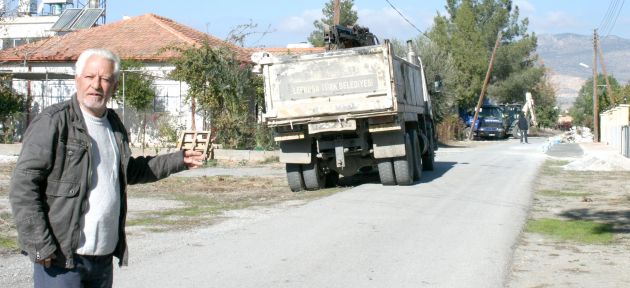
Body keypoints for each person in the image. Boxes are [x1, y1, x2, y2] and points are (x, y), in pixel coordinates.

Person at [9, 48, 205, 288]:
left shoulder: (113, 124)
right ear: (77, 79)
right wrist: (39, 244)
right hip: (61, 259)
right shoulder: (54, 122)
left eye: (105, 79)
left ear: (114, 85)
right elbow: (23, 186)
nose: (96, 85)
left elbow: (127, 171)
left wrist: (179, 160)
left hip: (102, 258)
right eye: (90, 77)